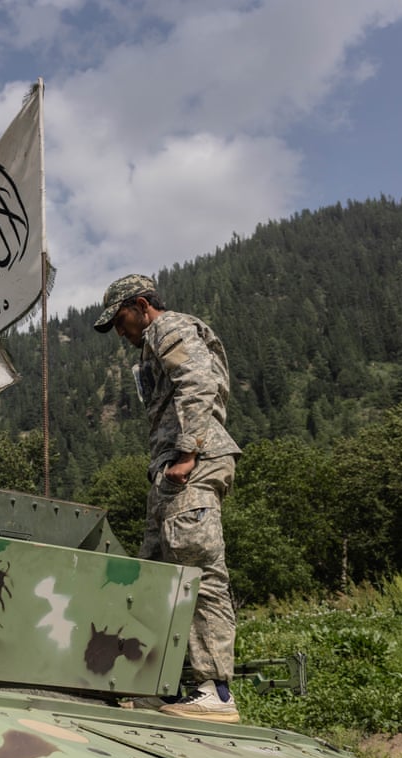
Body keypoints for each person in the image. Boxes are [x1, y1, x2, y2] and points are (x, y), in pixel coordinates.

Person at [93, 273, 242, 723]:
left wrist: (187, 453)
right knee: (157, 576)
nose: (120, 332)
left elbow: (198, 384)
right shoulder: (151, 343)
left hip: (191, 465)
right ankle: (155, 687)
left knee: (197, 571)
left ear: (141, 305)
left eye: (120, 320)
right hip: (169, 472)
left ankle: (215, 691)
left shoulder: (168, 328)